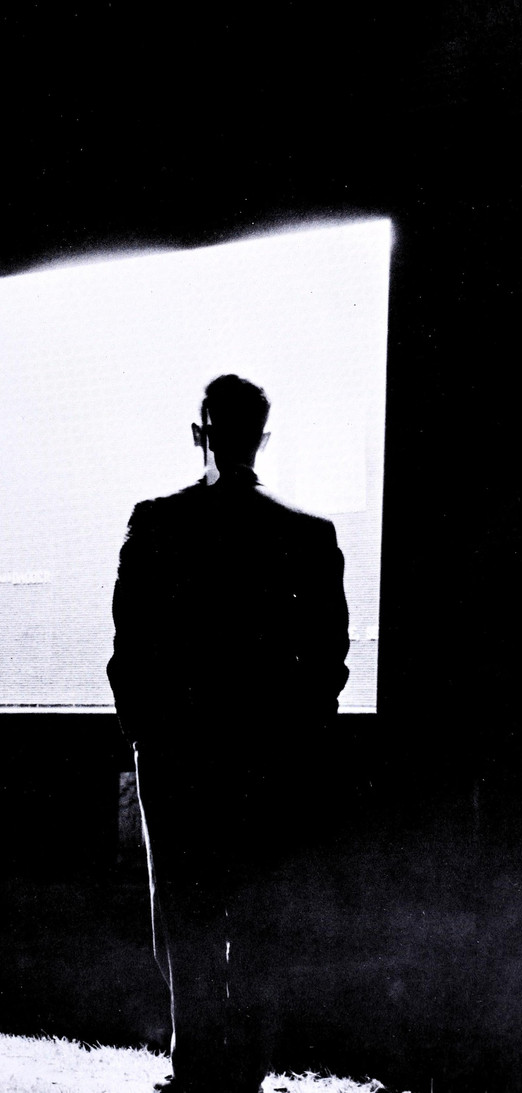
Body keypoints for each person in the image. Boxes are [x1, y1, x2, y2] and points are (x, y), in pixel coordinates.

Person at [107, 374, 350, 1093]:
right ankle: (243, 1068)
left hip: (177, 755)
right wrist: (298, 742)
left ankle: (196, 1061)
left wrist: (146, 736)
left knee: (183, 910)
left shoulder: (156, 524)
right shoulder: (308, 536)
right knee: (259, 910)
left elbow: (129, 648)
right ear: (262, 437)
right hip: (270, 759)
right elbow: (327, 662)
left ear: (199, 433)